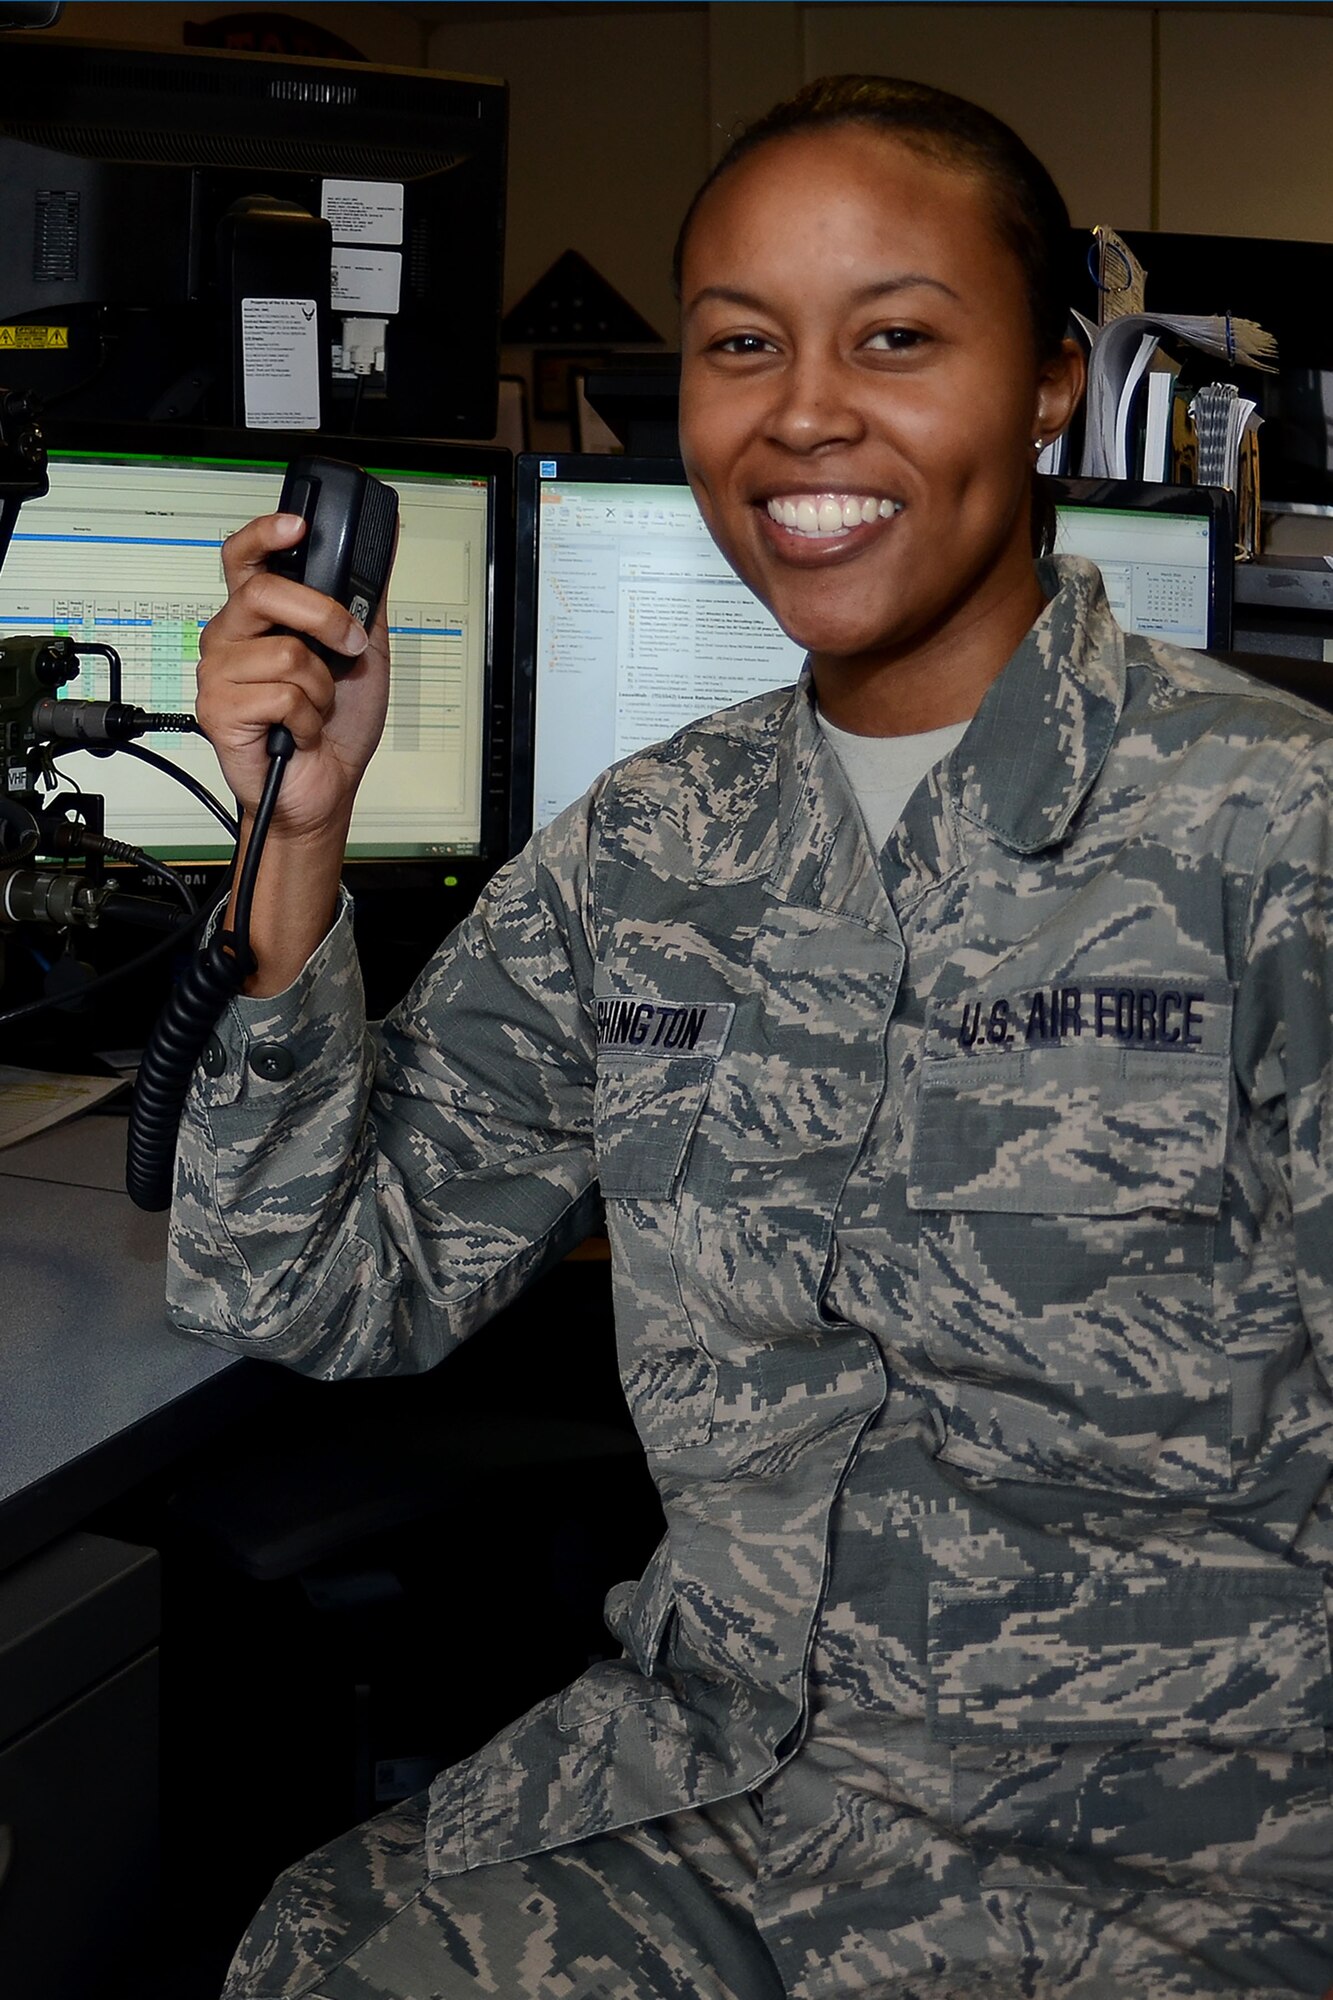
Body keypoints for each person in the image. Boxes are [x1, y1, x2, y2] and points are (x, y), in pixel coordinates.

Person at [170, 74, 1333, 2000]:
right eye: (738, 347)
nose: (802, 412)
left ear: (1049, 382)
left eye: (895, 337)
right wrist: (293, 845)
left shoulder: (1268, 831)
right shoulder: (654, 844)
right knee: (315, 1960)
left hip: (1174, 1853)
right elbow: (320, 1287)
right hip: (725, 1785)